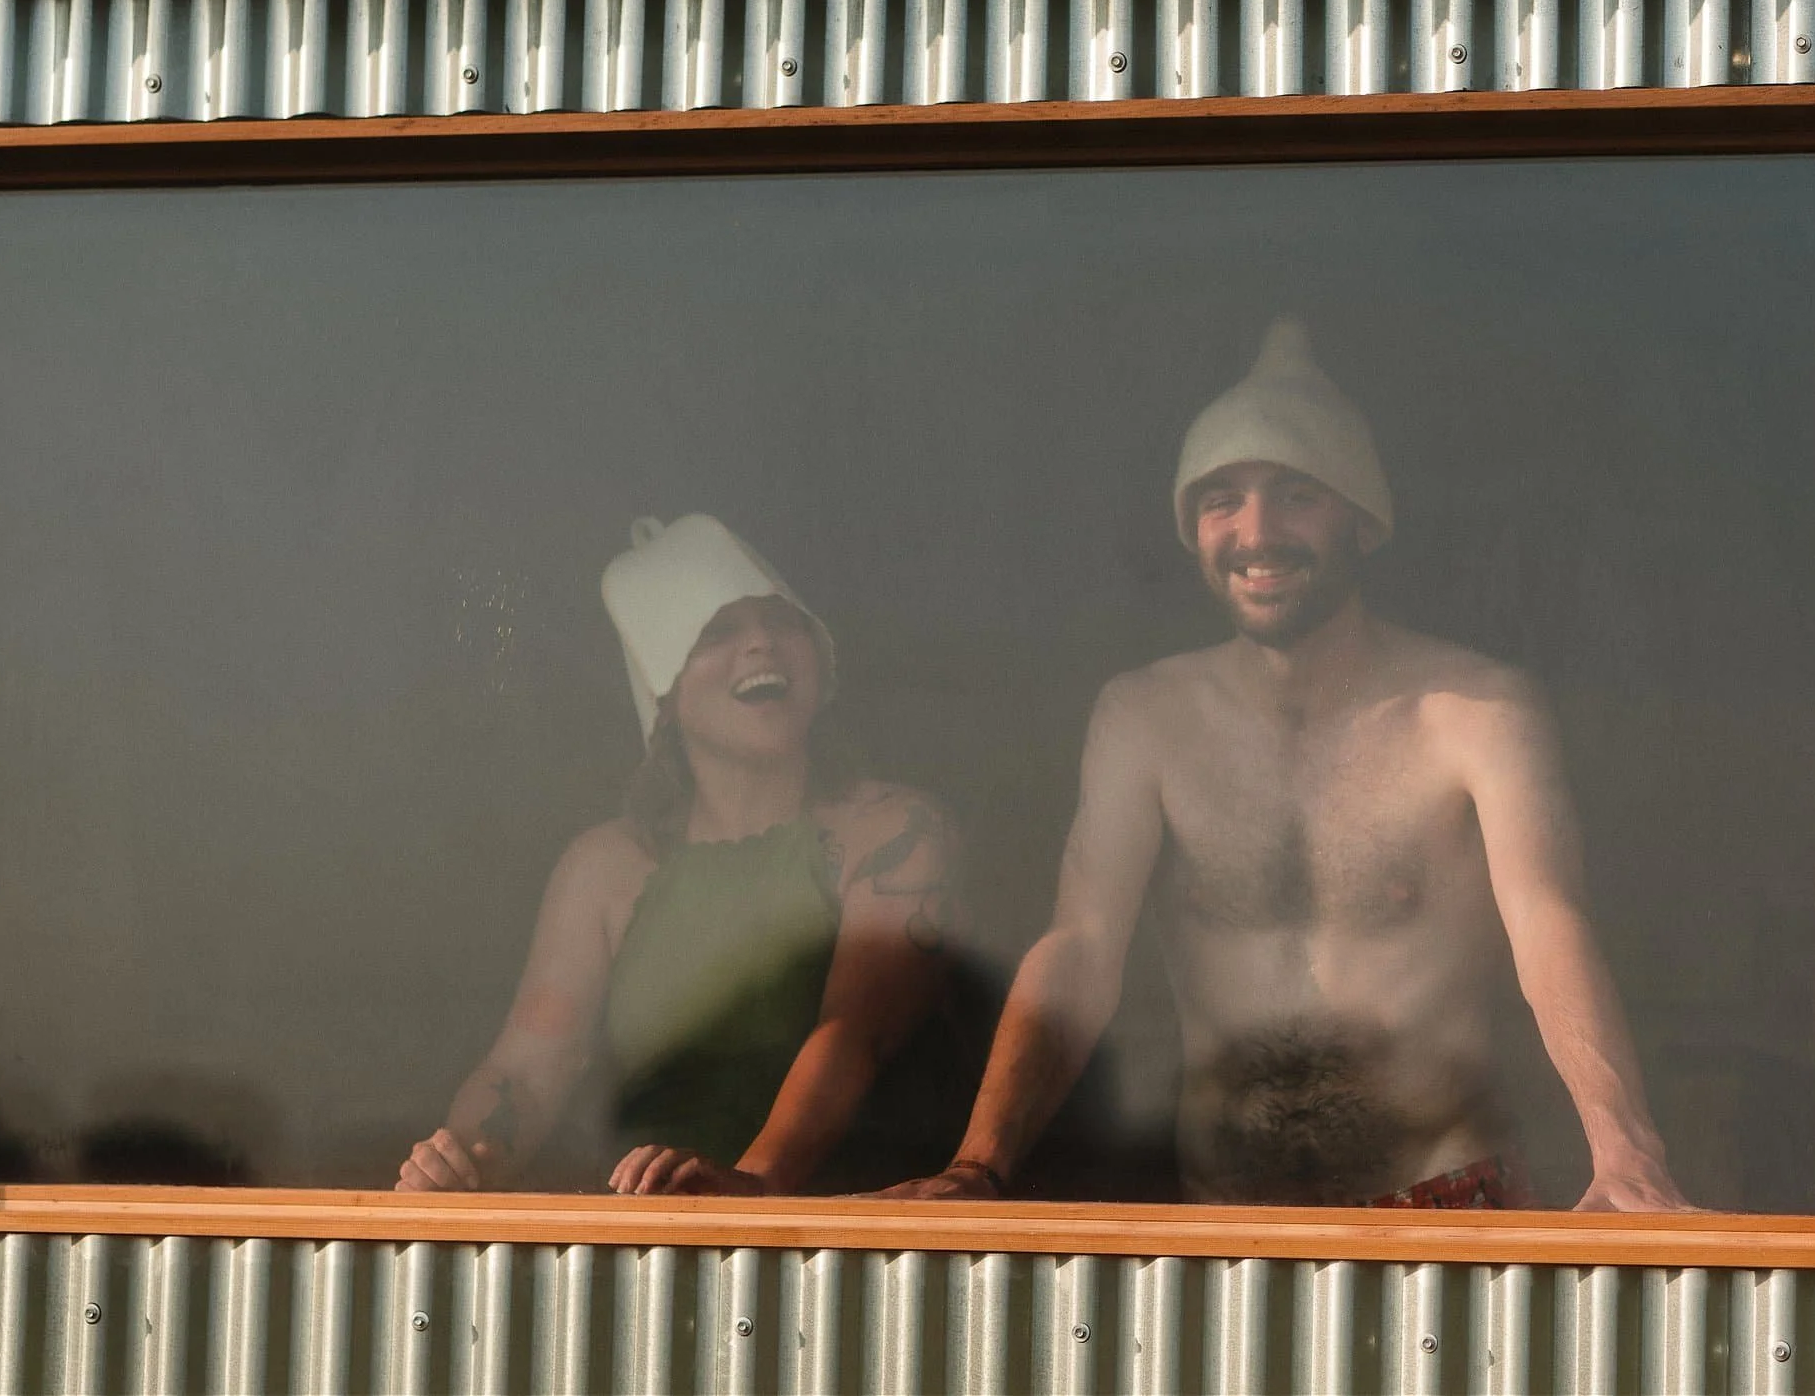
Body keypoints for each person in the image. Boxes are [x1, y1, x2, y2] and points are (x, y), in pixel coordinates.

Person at [884, 320, 1690, 1210]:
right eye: (1222, 499)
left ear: (1362, 521)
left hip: (1444, 1201)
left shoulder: (1474, 710)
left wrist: (1625, 1152)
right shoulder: (1145, 716)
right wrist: (981, 1164)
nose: (1256, 532)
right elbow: (1083, 944)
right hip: (1227, 1222)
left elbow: (1546, 920)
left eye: (1298, 495)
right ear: (1192, 529)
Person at [399, 514, 965, 1196]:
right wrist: (457, 1167)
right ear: (662, 694)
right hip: (655, 1230)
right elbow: (526, 1069)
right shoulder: (605, 867)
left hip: (844, 1237)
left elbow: (855, 1031)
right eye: (718, 632)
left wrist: (750, 1188)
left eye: (781, 622)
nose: (761, 643)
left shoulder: (896, 828)